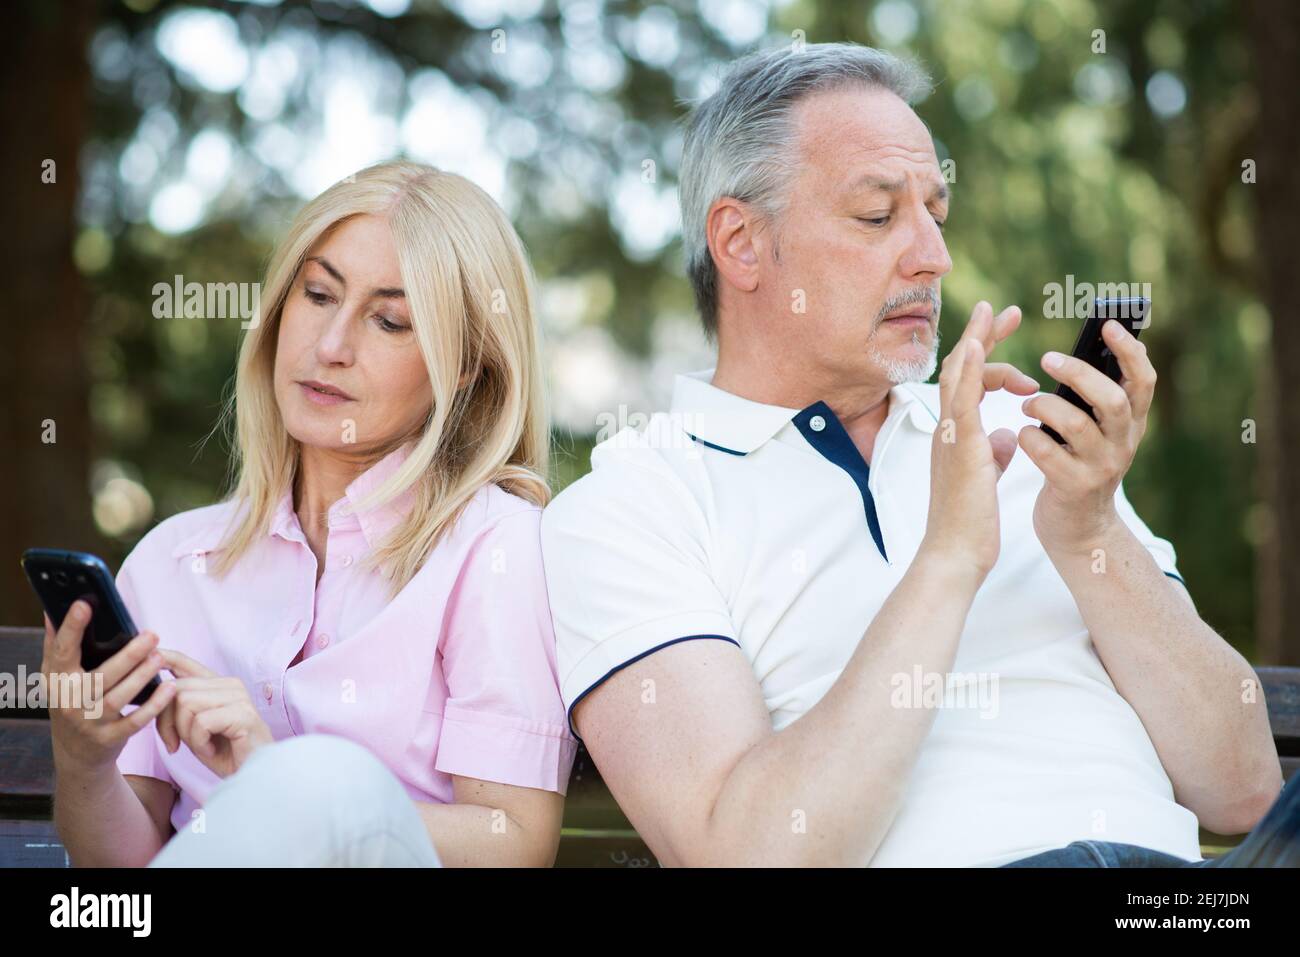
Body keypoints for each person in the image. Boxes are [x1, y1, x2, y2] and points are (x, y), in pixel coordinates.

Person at [539, 43, 1290, 867]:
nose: (935, 256)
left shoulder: (1030, 441)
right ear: (742, 243)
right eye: (877, 216)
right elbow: (748, 852)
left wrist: (1088, 530)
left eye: (937, 212)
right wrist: (950, 556)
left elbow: (1248, 787)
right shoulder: (631, 508)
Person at [43, 160, 576, 867]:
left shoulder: (496, 548)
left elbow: (514, 841)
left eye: (389, 320)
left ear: (464, 366)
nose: (330, 346)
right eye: (318, 294)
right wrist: (83, 758)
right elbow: (122, 880)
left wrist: (277, 777)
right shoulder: (174, 561)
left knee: (329, 780)